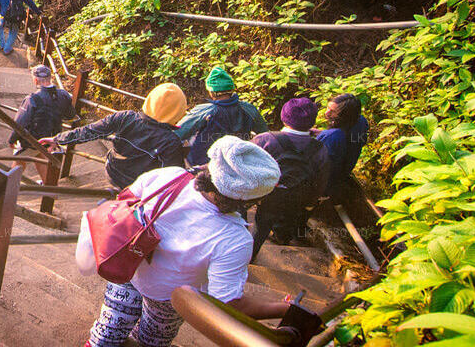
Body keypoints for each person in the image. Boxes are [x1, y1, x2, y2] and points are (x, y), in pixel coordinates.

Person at [82, 136, 291, 347]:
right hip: (169, 298)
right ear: (249, 199)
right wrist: (285, 309)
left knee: (107, 329)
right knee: (150, 341)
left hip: (127, 267)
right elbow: (227, 303)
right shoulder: (235, 240)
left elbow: (125, 200)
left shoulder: (169, 176)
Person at [41, 83, 187, 190]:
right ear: (179, 110)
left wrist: (57, 138)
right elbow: (173, 177)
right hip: (138, 189)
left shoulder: (126, 117)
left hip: (113, 173)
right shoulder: (170, 142)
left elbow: (90, 131)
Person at [250, 98, 331, 260]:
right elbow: (321, 178)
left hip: (270, 194)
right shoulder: (319, 148)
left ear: (284, 117)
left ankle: (250, 255)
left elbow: (248, 166)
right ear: (312, 121)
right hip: (298, 196)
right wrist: (311, 201)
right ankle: (282, 238)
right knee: (290, 220)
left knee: (262, 224)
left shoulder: (265, 139)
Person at [174, 67, 269, 167]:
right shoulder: (249, 109)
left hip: (206, 165)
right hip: (238, 163)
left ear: (212, 92)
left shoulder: (204, 111)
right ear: (231, 89)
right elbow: (265, 135)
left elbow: (177, 134)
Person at [315, 93, 369, 200]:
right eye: (328, 108)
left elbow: (320, 164)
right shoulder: (361, 121)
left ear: (345, 115)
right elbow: (356, 141)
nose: (327, 113)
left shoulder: (333, 137)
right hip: (345, 170)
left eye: (333, 111)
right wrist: (322, 133)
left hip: (327, 181)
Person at [10, 65, 75, 151]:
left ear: (35, 80)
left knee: (19, 160)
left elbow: (20, 122)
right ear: (50, 77)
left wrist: (12, 139)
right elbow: (70, 115)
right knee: (42, 159)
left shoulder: (32, 99)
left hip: (32, 141)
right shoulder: (63, 95)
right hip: (53, 138)